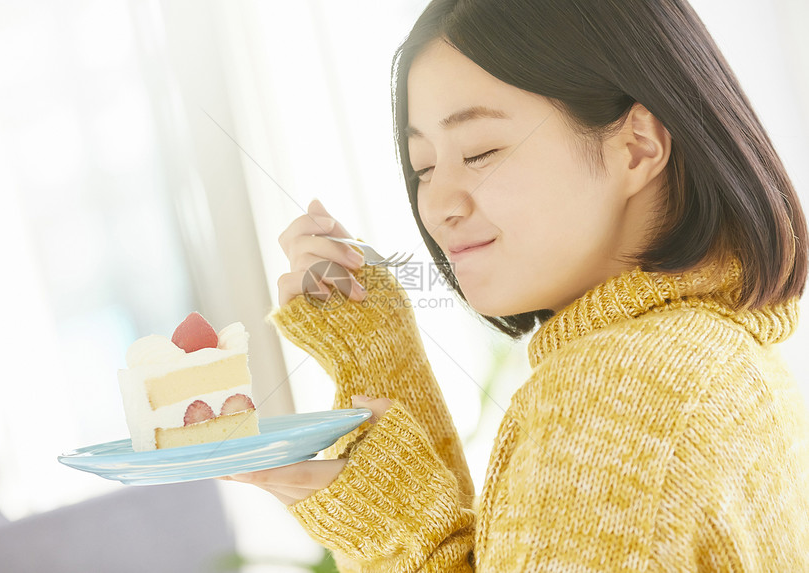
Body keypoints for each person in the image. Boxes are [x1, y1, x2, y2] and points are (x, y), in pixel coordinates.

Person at [225, 0, 809, 570]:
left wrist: (394, 533)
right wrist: (374, 354)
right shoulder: (722, 357)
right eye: (424, 166)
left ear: (636, 147)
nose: (438, 207)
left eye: (481, 152)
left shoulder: (611, 397)